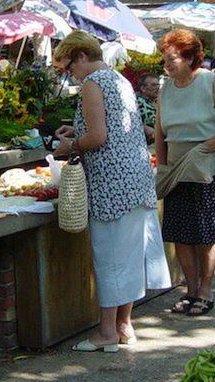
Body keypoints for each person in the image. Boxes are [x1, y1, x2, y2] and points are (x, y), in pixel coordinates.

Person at [52, 31, 170, 352]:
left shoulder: (92, 84)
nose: (70, 74)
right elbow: (113, 127)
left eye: (68, 67)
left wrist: (70, 145)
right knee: (129, 256)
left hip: (111, 183)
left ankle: (106, 332)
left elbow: (100, 137)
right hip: (135, 179)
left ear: (80, 57)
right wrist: (77, 128)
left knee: (109, 257)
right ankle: (124, 326)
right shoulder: (118, 80)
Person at [155, 30, 215, 317]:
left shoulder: (209, 81)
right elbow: (160, 132)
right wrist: (163, 166)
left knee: (206, 233)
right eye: (164, 61)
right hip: (177, 171)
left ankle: (205, 289)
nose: (167, 66)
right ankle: (189, 290)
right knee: (180, 232)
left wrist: (204, 149)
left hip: (209, 169)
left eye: (172, 60)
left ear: (190, 58)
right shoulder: (165, 89)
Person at [135, 73, 159, 143]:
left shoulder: (160, 101)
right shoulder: (136, 102)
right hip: (144, 144)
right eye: (154, 85)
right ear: (143, 88)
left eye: (158, 85)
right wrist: (144, 128)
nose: (157, 88)